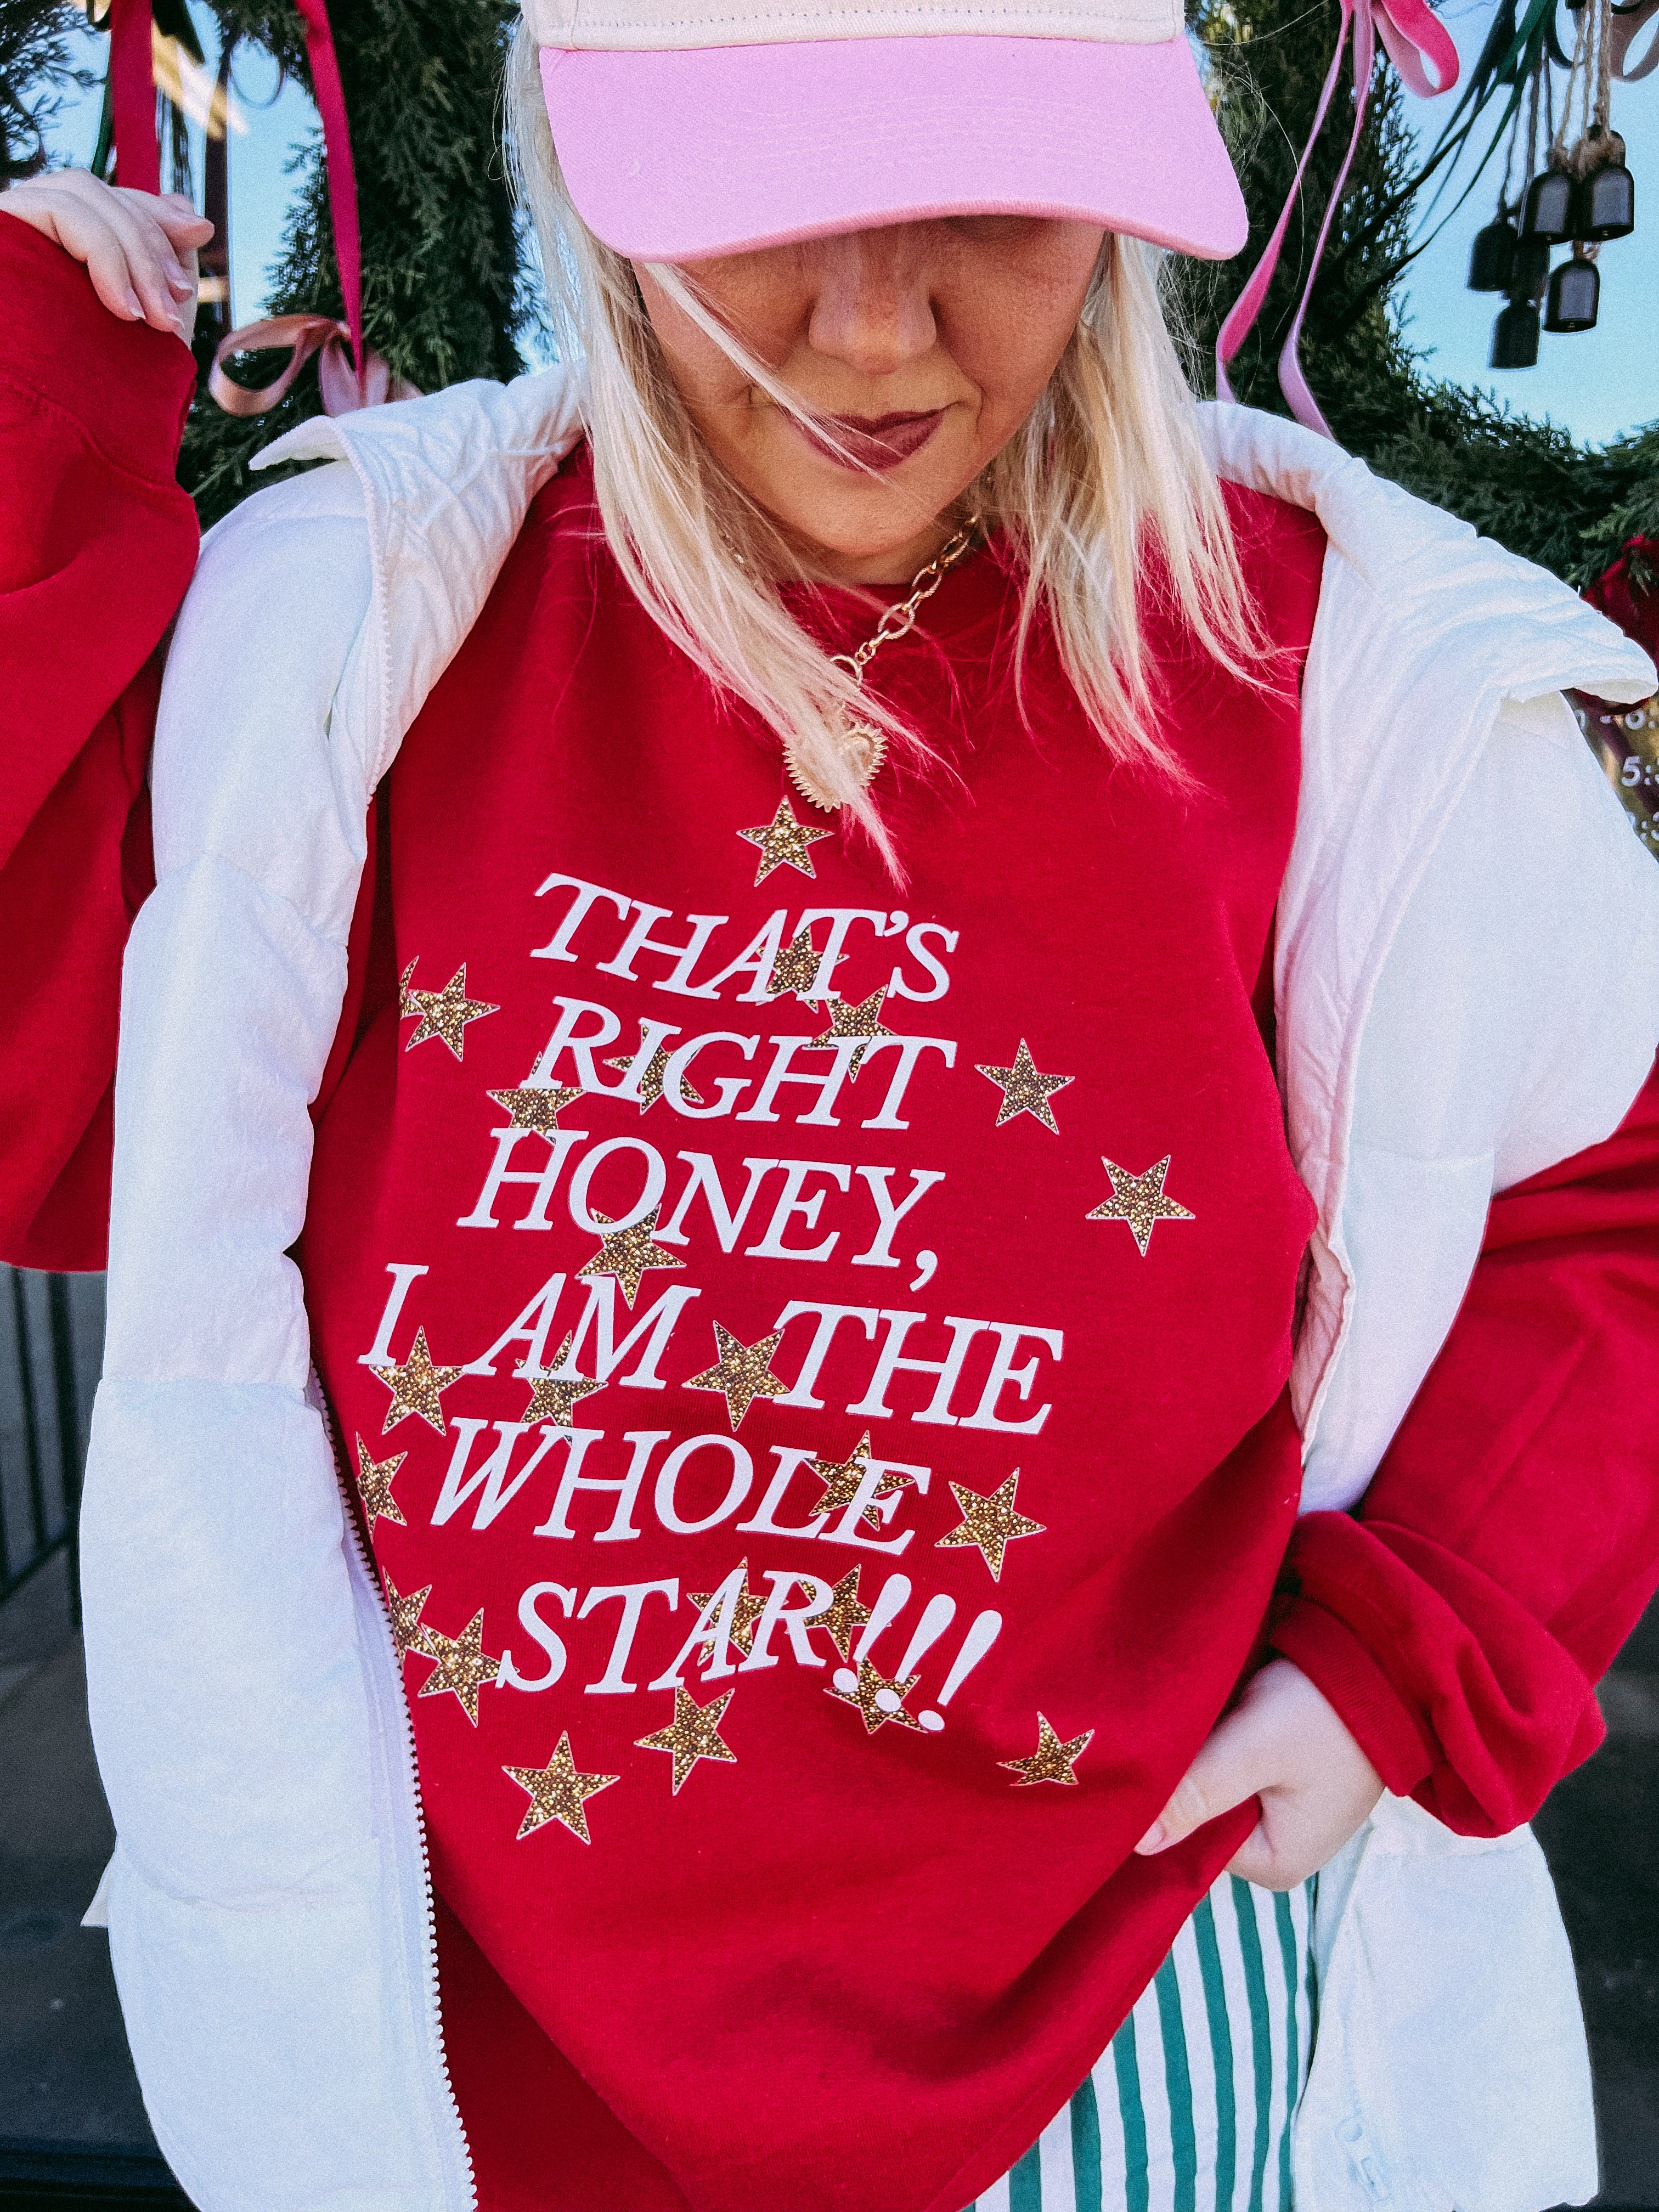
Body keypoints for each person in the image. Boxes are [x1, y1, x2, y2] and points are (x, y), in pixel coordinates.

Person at [2, 5, 1657, 2209]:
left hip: (1131, 2024)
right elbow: (47, 1108)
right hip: (468, 2061)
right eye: (765, 190)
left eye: (991, 197)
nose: (876, 328)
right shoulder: (369, 635)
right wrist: (30, 419)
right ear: (585, 166)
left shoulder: (1337, 670)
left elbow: (1596, 1196)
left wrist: (1408, 1657)